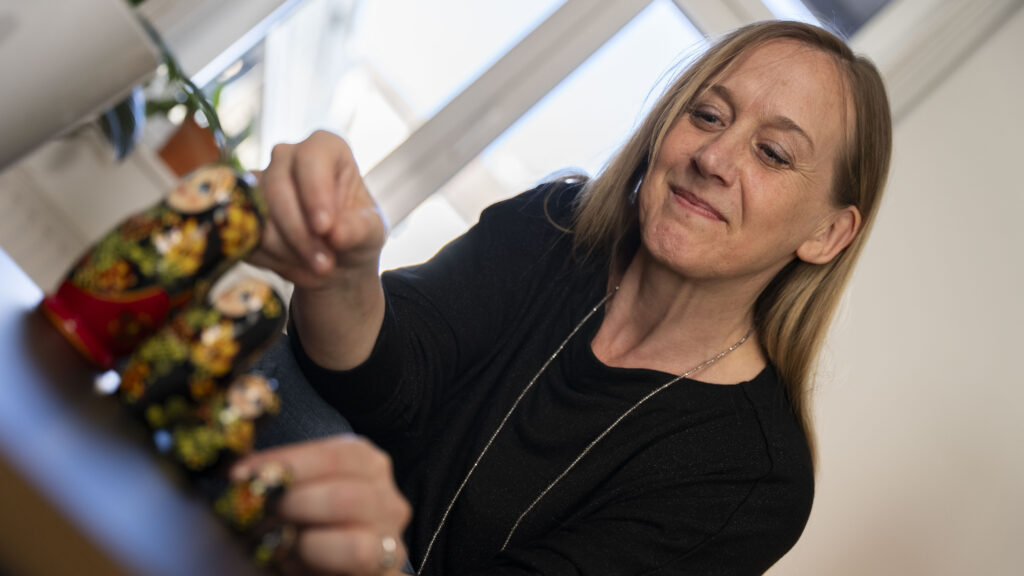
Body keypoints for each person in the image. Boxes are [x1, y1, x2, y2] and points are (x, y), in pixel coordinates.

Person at [234, 19, 892, 576]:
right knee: (269, 367)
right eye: (708, 115)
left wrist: (370, 551)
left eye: (773, 152)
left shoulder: (756, 478)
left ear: (827, 234)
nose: (714, 158)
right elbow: (388, 381)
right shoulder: (553, 225)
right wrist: (339, 273)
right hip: (267, 532)